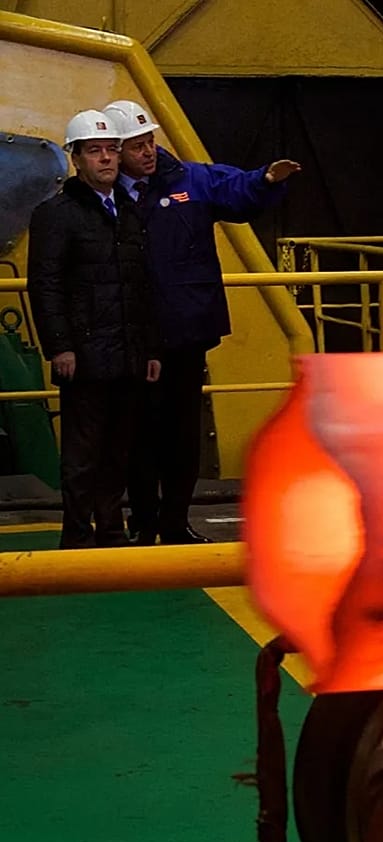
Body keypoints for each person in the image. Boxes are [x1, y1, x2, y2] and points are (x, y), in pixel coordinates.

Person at [102, 99, 301, 545]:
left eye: (149, 141)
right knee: (137, 433)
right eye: (136, 146)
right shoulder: (105, 195)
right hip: (131, 336)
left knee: (180, 434)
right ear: (116, 151)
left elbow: (235, 189)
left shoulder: (190, 180)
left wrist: (267, 179)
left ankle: (174, 524)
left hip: (185, 331)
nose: (148, 152)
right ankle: (143, 523)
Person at [27, 110, 162, 549]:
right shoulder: (56, 215)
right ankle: (77, 534)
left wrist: (150, 349)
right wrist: (60, 347)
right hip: (84, 356)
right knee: (83, 453)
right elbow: (45, 284)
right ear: (76, 158)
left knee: (117, 450)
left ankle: (110, 529)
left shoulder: (128, 210)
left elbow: (140, 285)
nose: (105, 158)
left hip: (126, 352)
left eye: (110, 150)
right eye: (94, 151)